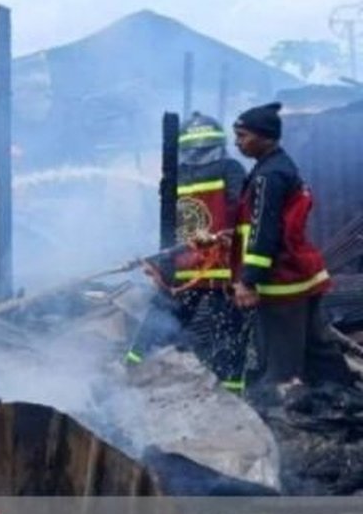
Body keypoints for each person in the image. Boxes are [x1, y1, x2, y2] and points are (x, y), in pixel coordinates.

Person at [231, 102, 351, 394]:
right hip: (297, 273)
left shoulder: (268, 176)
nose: (237, 143)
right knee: (318, 347)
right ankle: (344, 397)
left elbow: (264, 231)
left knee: (280, 362)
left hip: (279, 281)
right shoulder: (279, 166)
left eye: (243, 136)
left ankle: (282, 413)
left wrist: (249, 280)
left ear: (266, 137)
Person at [126, 113, 250, 391]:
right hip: (190, 267)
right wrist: (160, 262)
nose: (197, 156)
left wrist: (227, 234)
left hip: (215, 267)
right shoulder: (178, 175)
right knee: (166, 322)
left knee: (225, 330)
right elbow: (166, 223)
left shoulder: (226, 170)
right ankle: (133, 370)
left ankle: (231, 395)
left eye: (202, 150)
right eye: (192, 151)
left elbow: (238, 210)